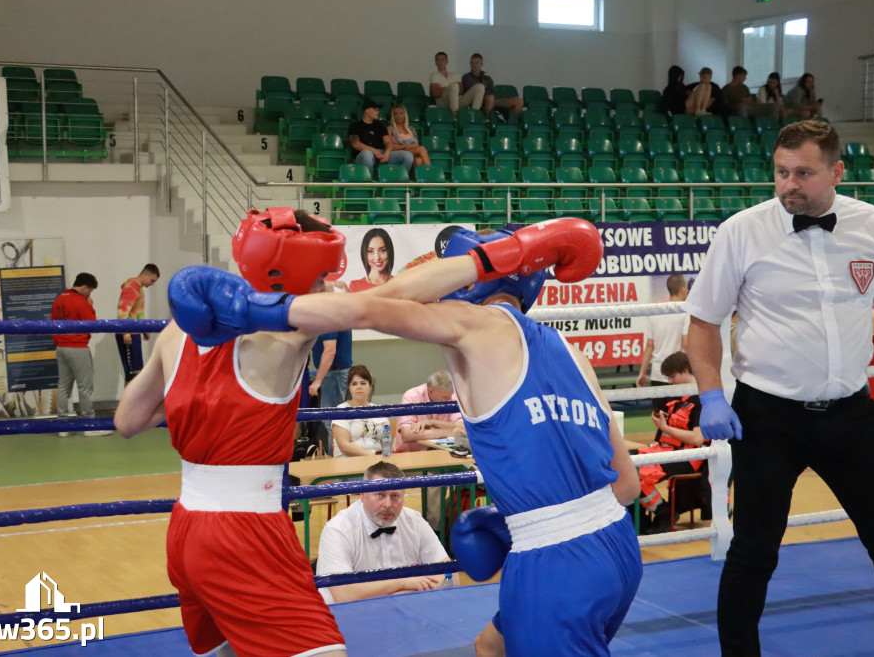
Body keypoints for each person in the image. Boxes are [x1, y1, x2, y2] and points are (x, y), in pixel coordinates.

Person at [169, 217, 642, 656]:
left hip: (558, 564)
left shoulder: (471, 325)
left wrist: (256, 310)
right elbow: (627, 487)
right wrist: (521, 518)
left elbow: (372, 307)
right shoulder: (573, 356)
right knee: (491, 646)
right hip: (619, 547)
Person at [115, 206, 486, 656]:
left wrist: (200, 397)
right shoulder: (290, 334)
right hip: (244, 533)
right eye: (320, 278)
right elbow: (389, 297)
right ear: (289, 279)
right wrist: (490, 258)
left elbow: (128, 421)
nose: (328, 286)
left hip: (187, 526)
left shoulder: (178, 330)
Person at [684, 120, 874, 655]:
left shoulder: (873, 225)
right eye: (782, 172)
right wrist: (711, 393)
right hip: (768, 416)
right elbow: (702, 323)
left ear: (836, 171)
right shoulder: (742, 230)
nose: (789, 185)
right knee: (754, 552)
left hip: (853, 414)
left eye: (803, 173)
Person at [316, 461, 450, 603]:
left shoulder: (414, 521)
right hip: (349, 618)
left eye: (395, 496)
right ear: (362, 494)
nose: (388, 504)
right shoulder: (338, 529)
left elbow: (450, 576)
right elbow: (343, 595)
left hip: (408, 613)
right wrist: (402, 583)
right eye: (380, 494)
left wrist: (399, 593)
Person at [634, 352, 707, 534]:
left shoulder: (701, 399)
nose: (671, 382)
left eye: (672, 377)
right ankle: (638, 520)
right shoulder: (675, 396)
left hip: (687, 456)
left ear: (685, 371)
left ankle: (664, 512)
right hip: (663, 451)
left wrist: (665, 428)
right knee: (621, 466)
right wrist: (660, 419)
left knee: (636, 475)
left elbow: (697, 438)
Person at [51, 272, 103, 436]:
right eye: (90, 291)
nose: (90, 294)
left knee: (63, 386)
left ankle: (62, 426)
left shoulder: (59, 299)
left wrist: (58, 343)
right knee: (85, 386)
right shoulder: (81, 301)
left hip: (61, 347)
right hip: (78, 347)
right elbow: (92, 325)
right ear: (85, 288)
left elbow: (52, 323)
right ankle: (89, 425)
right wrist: (90, 305)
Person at [636, 272, 690, 410]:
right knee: (680, 420)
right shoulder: (685, 312)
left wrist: (642, 373)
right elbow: (686, 344)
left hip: (657, 374)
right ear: (683, 290)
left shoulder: (656, 311)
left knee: (661, 419)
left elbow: (649, 345)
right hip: (677, 375)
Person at [395, 370, 465, 453]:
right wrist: (448, 432)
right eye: (445, 398)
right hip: (409, 454)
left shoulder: (451, 395)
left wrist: (431, 422)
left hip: (442, 453)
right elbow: (407, 435)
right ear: (431, 391)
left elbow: (462, 427)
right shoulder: (411, 396)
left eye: (451, 396)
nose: (450, 400)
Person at [331, 365, 391, 457]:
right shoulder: (341, 410)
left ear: (370, 387)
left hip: (377, 464)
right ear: (349, 387)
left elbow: (386, 445)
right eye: (354, 384)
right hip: (349, 464)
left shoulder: (380, 411)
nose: (358, 387)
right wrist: (372, 457)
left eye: (363, 383)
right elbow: (344, 446)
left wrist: (385, 458)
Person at [115, 263, 160, 384]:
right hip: (128, 332)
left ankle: (133, 401)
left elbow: (138, 313)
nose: (152, 284)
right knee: (133, 373)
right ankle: (130, 402)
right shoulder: (132, 286)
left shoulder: (139, 288)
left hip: (133, 332)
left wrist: (144, 330)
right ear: (145, 275)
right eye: (152, 280)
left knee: (137, 372)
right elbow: (122, 311)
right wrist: (126, 334)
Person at [348, 100, 413, 175]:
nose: (378, 112)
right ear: (367, 110)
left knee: (407, 155)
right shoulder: (355, 125)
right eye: (375, 109)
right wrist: (374, 151)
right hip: (363, 155)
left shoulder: (380, 126)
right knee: (367, 153)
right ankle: (369, 183)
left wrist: (387, 153)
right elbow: (355, 144)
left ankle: (399, 180)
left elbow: (388, 142)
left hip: (380, 155)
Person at [461, 54, 523, 118]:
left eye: (477, 63)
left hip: (494, 100)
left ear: (482, 64)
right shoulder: (466, 77)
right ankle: (488, 122)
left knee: (519, 101)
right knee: (490, 98)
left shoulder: (487, 78)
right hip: (479, 101)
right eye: (472, 63)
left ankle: (511, 124)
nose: (474, 65)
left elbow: (493, 91)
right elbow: (473, 93)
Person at [429, 51, 484, 115]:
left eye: (443, 59)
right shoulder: (435, 75)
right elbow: (435, 93)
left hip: (456, 102)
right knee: (454, 86)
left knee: (480, 87)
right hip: (443, 103)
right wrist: (451, 89)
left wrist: (444, 89)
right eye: (438, 60)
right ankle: (455, 116)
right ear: (436, 62)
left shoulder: (454, 75)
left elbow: (462, 90)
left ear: (447, 61)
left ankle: (474, 114)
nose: (440, 62)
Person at [348, 228, 394, 292]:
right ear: (364, 253)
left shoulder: (400, 284)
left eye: (382, 250)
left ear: (389, 251)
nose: (377, 257)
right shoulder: (355, 286)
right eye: (370, 251)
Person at [387, 104, 430, 168]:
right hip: (398, 152)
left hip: (411, 150)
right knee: (422, 149)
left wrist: (408, 146)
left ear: (405, 115)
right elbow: (388, 146)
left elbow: (416, 145)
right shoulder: (390, 129)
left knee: (418, 161)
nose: (398, 116)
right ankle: (430, 172)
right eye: (395, 114)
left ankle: (418, 177)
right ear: (393, 116)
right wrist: (402, 146)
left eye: (401, 113)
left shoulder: (411, 129)